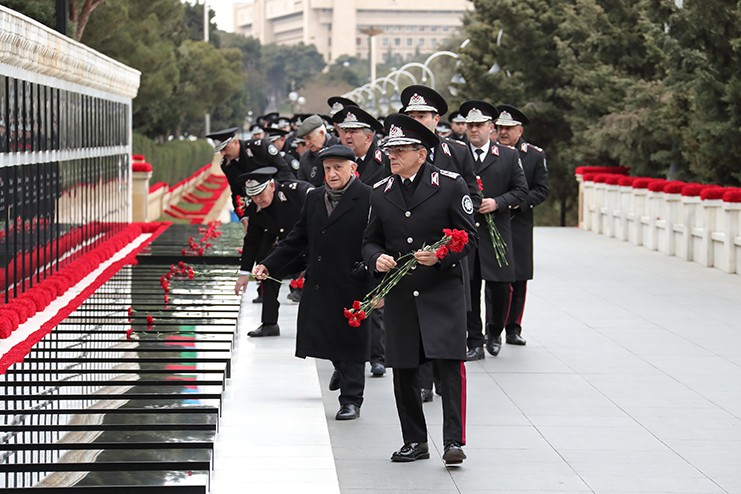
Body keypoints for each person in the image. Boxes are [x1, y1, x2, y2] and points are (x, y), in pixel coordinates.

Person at [362, 114, 477, 465]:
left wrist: (441, 256)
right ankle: (414, 440)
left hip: (442, 291)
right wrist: (377, 258)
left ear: (421, 153)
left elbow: (469, 237)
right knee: (405, 368)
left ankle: (454, 441)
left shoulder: (451, 185)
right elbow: (369, 241)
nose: (391, 156)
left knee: (449, 364)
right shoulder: (381, 192)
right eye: (389, 149)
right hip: (402, 295)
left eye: (399, 150)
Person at [253, 145, 372, 420]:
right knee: (322, 335)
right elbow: (296, 239)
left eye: (338, 168)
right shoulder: (315, 198)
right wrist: (268, 264)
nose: (332, 174)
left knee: (351, 341)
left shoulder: (368, 198)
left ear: (353, 169)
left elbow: (378, 239)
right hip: (321, 280)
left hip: (354, 280)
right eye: (328, 168)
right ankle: (340, 370)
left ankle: (351, 400)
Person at [400, 85, 481, 402]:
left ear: (436, 119)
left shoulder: (456, 152)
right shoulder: (398, 154)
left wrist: (452, 235)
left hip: (448, 249)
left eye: (422, 115)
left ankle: (440, 375)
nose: (417, 121)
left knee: (444, 321)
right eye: (412, 116)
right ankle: (422, 381)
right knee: (417, 318)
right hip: (411, 248)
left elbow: (471, 195)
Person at [458, 101, 528, 360]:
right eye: (470, 125)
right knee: (470, 288)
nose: (473, 130)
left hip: (496, 230)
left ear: (491, 128)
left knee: (500, 288)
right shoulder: (457, 152)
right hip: (468, 234)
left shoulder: (508, 156)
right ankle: (474, 340)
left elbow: (521, 190)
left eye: (479, 125)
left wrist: (498, 202)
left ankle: (494, 333)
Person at [332, 105, 391, 377]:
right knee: (343, 300)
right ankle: (343, 360)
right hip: (345, 238)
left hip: (376, 237)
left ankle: (378, 355)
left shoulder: (383, 162)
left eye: (354, 132)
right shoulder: (336, 160)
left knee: (376, 297)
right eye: (345, 131)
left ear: (369, 137)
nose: (347, 136)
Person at [233, 167, 313, 337]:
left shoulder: (299, 192)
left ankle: (318, 324)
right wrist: (244, 273)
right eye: (253, 196)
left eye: (261, 194)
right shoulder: (256, 208)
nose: (258, 199)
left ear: (271, 185)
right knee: (267, 270)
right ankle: (269, 323)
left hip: (315, 248)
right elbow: (252, 241)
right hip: (290, 251)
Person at [496, 105, 550, 345]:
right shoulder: (490, 153)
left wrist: (519, 203)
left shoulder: (534, 155)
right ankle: (491, 328)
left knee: (518, 277)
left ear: (520, 130)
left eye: (508, 128)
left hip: (518, 223)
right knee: (494, 280)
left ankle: (513, 327)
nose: (503, 132)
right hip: (492, 221)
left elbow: (542, 189)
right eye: (499, 128)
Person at [205, 127, 294, 232]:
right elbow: (237, 192)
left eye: (225, 148)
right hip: (257, 208)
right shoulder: (226, 165)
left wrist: (274, 194)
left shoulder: (260, 148)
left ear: (236, 142)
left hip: (279, 201)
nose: (223, 154)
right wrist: (244, 217)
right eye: (220, 150)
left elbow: (285, 173)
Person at [296, 115, 340, 186]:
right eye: (305, 139)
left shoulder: (341, 148)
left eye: (309, 138)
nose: (307, 143)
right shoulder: (305, 158)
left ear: (322, 133)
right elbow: (302, 185)